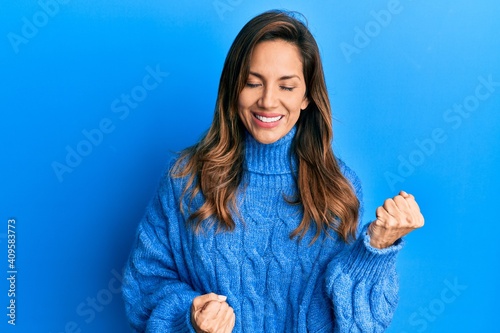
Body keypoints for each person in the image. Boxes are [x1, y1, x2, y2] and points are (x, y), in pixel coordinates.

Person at [122, 9, 424, 333]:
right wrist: (190, 318)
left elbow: (358, 325)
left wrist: (375, 249)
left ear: (307, 96)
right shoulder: (186, 180)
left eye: (287, 87)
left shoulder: (338, 189)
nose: (267, 101)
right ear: (233, 88)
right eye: (253, 83)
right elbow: (145, 287)